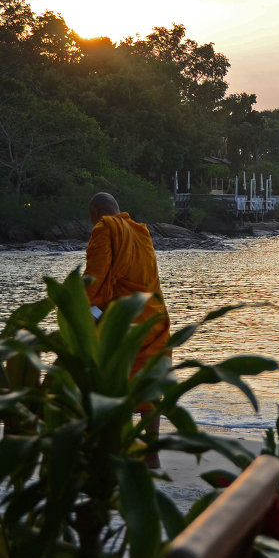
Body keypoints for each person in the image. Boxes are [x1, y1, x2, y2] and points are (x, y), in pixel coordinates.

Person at [84, 192, 171, 466]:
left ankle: (111, 446)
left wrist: (83, 310)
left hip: (124, 317)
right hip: (153, 314)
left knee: (108, 382)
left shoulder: (105, 228)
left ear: (97, 212)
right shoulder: (141, 232)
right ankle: (152, 454)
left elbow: (94, 278)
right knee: (150, 387)